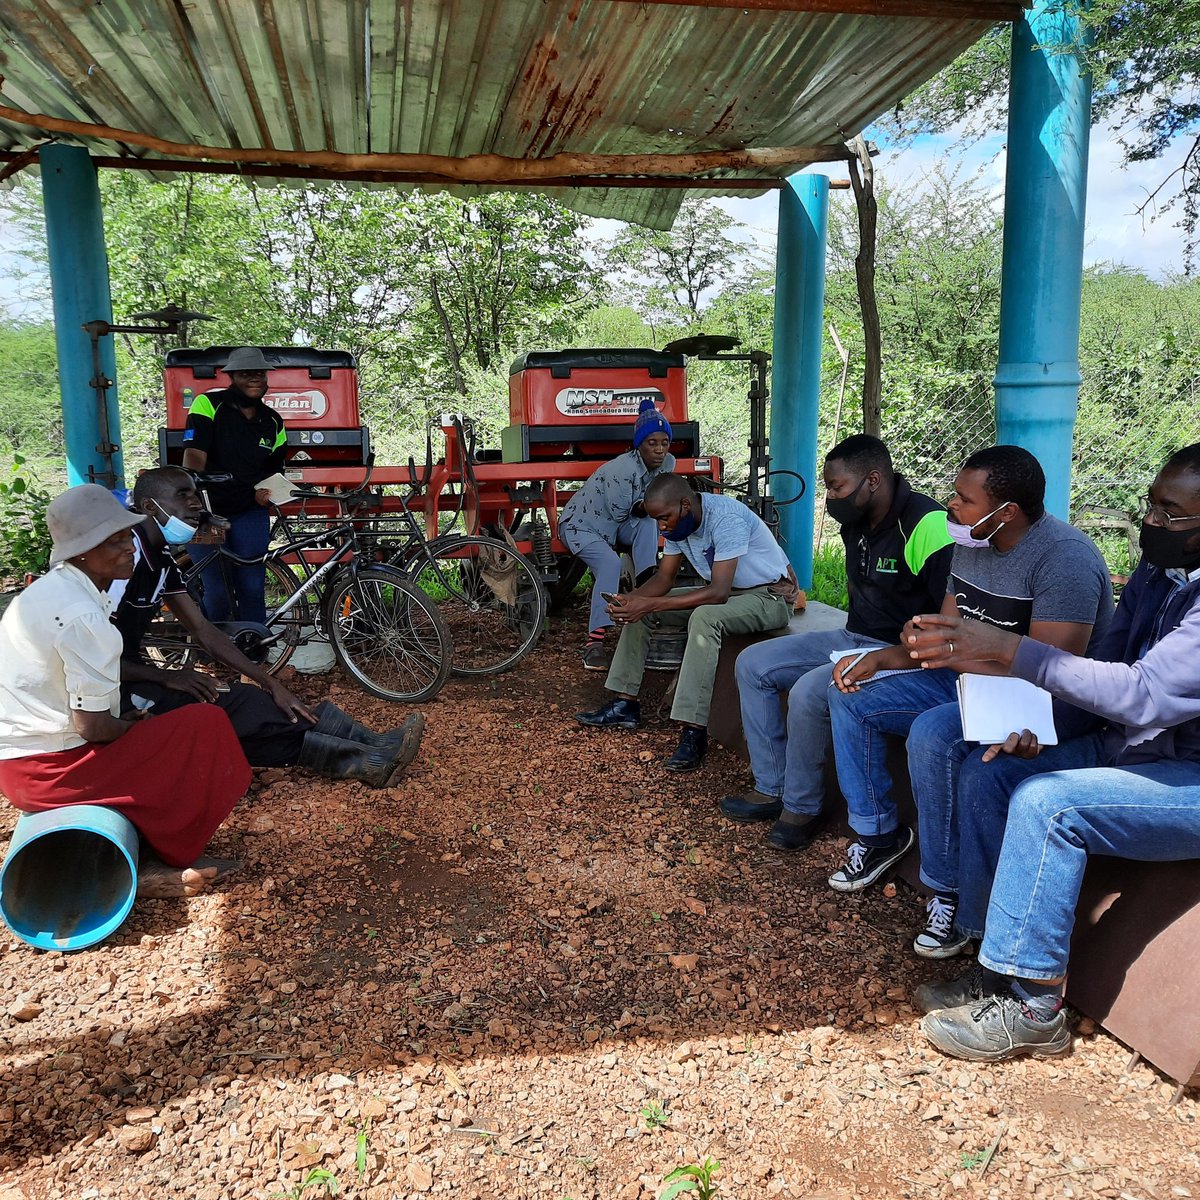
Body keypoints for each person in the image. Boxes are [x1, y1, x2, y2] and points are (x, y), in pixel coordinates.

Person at [900, 441, 1200, 1061]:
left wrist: (1009, 651)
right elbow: (1107, 668)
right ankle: (993, 965)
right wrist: (1041, 725)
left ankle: (1035, 1006)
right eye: (1151, 504)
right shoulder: (1161, 572)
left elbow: (1144, 696)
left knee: (1049, 804)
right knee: (996, 772)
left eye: (1172, 515)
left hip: (1186, 777)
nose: (1151, 523)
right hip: (1132, 749)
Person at [825, 445, 1113, 939]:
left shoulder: (1065, 559)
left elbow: (1050, 669)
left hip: (1047, 697)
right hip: (970, 677)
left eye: (964, 498)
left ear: (1007, 513)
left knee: (934, 732)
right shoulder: (972, 542)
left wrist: (937, 650)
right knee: (853, 692)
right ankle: (877, 835)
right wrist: (884, 658)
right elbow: (944, 628)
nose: (950, 506)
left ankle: (948, 890)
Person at [0, 484, 250, 899]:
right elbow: (93, 729)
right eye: (111, 541)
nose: (127, 547)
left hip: (21, 760)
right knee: (203, 724)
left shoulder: (55, 589)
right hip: (49, 769)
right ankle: (170, 852)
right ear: (81, 551)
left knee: (167, 729)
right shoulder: (83, 614)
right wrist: (129, 729)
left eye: (126, 536)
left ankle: (148, 845)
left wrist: (124, 725)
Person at [113, 467, 425, 787]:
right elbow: (86, 660)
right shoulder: (121, 559)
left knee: (248, 710)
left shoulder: (161, 559)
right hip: (105, 695)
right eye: (183, 495)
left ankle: (370, 755)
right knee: (237, 715)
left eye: (194, 494)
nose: (196, 504)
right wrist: (168, 676)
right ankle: (363, 756)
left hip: (133, 677)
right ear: (150, 506)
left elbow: (204, 631)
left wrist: (271, 683)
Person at [720, 435, 952, 851]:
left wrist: (897, 654)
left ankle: (801, 806)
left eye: (837, 487)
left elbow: (948, 624)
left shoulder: (927, 526)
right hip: (852, 634)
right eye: (828, 485)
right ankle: (771, 787)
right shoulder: (855, 520)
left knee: (812, 690)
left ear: (874, 480)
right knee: (753, 664)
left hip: (898, 653)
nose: (830, 496)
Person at [575, 474, 798, 772]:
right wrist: (633, 601)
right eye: (657, 520)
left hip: (769, 597)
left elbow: (717, 594)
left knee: (704, 617)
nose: (661, 527)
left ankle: (694, 730)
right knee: (644, 610)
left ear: (684, 504)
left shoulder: (725, 519)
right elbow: (664, 578)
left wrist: (649, 602)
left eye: (665, 518)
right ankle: (624, 703)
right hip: (731, 592)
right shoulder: (679, 525)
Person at [559, 398, 676, 671]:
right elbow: (626, 510)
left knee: (649, 524)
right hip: (582, 526)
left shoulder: (668, 463)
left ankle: (647, 595)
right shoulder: (622, 469)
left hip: (615, 525)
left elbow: (644, 512)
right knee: (610, 563)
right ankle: (594, 643)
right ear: (639, 444)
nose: (659, 450)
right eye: (652, 443)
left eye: (664, 443)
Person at [182, 346, 286, 625]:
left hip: (249, 511)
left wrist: (268, 493)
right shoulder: (208, 404)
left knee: (252, 587)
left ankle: (253, 647)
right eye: (245, 373)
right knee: (217, 591)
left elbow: (274, 470)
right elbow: (194, 455)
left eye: (260, 373)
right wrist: (191, 494)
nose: (255, 379)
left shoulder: (273, 421)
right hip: (206, 510)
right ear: (232, 377)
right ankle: (216, 651)